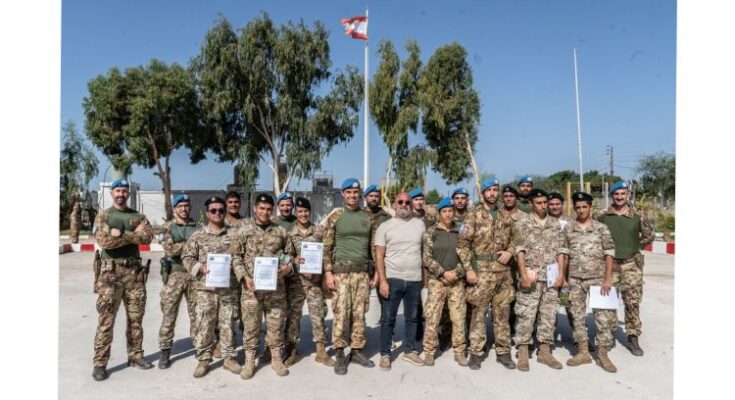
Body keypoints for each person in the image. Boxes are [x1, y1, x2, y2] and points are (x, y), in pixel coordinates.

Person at [91, 178, 154, 381]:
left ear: (129, 193)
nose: (121, 194)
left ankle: (136, 356)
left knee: (136, 318)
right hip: (110, 274)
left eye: (124, 191)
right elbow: (104, 241)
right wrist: (133, 234)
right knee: (106, 319)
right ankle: (100, 363)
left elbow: (147, 238)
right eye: (117, 190)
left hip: (134, 273)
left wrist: (121, 233)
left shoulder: (138, 216)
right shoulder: (104, 216)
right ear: (112, 193)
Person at [232, 193, 295, 379]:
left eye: (268, 209)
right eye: (261, 208)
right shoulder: (244, 231)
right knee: (251, 327)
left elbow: (290, 255)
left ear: (272, 210)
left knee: (276, 325)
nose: (265, 212)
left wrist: (286, 269)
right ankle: (250, 360)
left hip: (276, 289)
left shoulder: (281, 231)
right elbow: (236, 257)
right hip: (251, 289)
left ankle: (276, 358)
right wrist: (244, 277)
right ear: (255, 208)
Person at [458, 178, 517, 370]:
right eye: (489, 190)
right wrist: (469, 269)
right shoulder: (473, 215)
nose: (492, 193)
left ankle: (504, 352)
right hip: (481, 272)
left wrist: (510, 252)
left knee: (502, 313)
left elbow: (515, 238)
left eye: (495, 190)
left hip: (503, 272)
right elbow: (463, 245)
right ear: (482, 193)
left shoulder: (505, 215)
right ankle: (476, 352)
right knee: (478, 313)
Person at [182, 196, 242, 378]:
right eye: (213, 210)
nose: (217, 213)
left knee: (228, 324)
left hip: (228, 290)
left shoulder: (234, 235)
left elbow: (241, 257)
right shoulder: (198, 236)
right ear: (207, 213)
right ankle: (204, 359)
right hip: (205, 290)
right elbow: (186, 257)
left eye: (221, 210)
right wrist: (200, 267)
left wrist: (235, 267)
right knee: (204, 324)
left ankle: (229, 358)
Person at [322, 178, 377, 375]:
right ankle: (339, 352)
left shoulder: (368, 217)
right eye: (349, 192)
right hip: (342, 273)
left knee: (359, 313)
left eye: (355, 192)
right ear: (343, 194)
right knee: (341, 313)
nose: (352, 196)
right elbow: (327, 247)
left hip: (362, 273)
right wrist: (328, 273)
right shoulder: (336, 216)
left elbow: (373, 248)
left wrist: (376, 273)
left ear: (360, 194)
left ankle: (356, 350)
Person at [595, 180, 654, 356]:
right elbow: (593, 235)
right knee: (607, 303)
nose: (620, 197)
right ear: (611, 195)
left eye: (623, 194)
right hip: (609, 266)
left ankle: (633, 337)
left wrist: (634, 246)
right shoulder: (601, 215)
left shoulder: (638, 215)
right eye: (616, 194)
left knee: (632, 302)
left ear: (628, 194)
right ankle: (608, 335)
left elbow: (649, 235)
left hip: (631, 265)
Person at [562, 192, 619, 373]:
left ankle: (602, 354)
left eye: (584, 207)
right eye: (578, 207)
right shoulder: (569, 228)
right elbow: (564, 254)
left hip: (598, 279)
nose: (581, 210)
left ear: (590, 207)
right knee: (577, 317)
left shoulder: (601, 228)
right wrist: (564, 279)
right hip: (575, 279)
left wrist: (608, 279)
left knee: (603, 318)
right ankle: (583, 352)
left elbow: (609, 253)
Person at [512, 189, 567, 371]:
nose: (543, 206)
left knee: (548, 315)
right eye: (539, 203)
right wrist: (523, 275)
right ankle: (523, 350)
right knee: (526, 314)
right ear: (531, 204)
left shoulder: (555, 223)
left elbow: (561, 250)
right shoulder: (522, 223)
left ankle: (544, 351)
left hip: (550, 277)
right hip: (532, 276)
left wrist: (561, 274)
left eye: (545, 203)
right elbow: (519, 250)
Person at [375, 192, 427, 371]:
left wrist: (424, 277)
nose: (404, 204)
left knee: (412, 318)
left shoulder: (420, 225)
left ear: (411, 205)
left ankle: (410, 351)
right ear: (395, 204)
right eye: (400, 202)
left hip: (414, 279)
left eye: (407, 202)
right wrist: (382, 280)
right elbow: (379, 256)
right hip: (393, 278)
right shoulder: (385, 227)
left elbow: (423, 252)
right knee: (388, 318)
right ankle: (385, 354)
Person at [283, 197, 336, 367]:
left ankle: (321, 351)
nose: (303, 214)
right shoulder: (290, 233)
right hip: (296, 283)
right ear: (296, 213)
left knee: (318, 315)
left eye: (306, 211)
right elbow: (286, 255)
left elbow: (327, 254)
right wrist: (294, 259)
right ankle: (292, 350)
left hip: (314, 282)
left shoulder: (319, 231)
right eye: (300, 211)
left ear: (310, 212)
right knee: (293, 317)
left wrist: (323, 273)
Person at [421, 197, 469, 367]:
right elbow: (427, 258)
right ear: (439, 213)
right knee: (433, 317)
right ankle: (429, 351)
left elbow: (467, 254)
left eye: (450, 211)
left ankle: (459, 351)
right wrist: (442, 273)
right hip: (437, 281)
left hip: (457, 281)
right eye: (444, 211)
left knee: (458, 317)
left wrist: (457, 273)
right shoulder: (431, 232)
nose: (448, 214)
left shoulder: (461, 230)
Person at [157, 194, 200, 369]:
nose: (184, 209)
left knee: (197, 314)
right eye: (180, 206)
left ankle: (199, 346)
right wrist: (191, 245)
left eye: (186, 205)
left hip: (194, 275)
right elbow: (170, 249)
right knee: (169, 314)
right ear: (175, 209)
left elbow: (203, 248)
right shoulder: (167, 227)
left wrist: (182, 245)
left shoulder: (198, 226)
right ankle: (165, 350)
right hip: (174, 275)